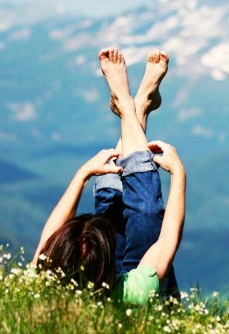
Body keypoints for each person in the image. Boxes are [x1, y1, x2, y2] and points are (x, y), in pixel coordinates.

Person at [32, 47, 185, 304]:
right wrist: (179, 174)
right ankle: (134, 107)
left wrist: (83, 174)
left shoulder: (45, 287)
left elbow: (50, 239)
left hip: (99, 275)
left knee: (112, 207)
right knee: (144, 214)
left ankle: (136, 108)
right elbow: (167, 240)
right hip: (154, 307)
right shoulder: (131, 296)